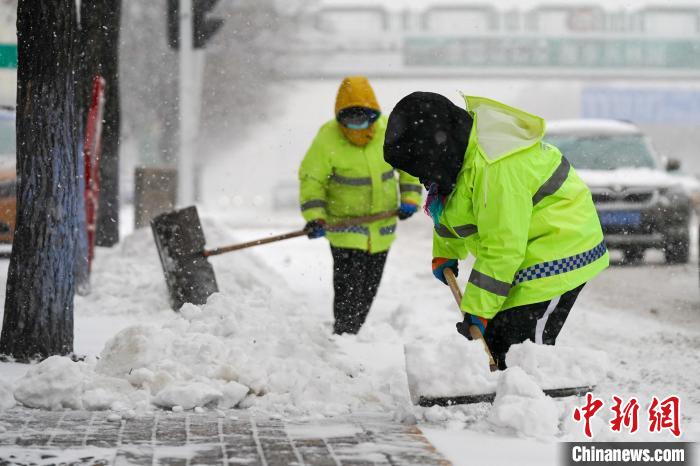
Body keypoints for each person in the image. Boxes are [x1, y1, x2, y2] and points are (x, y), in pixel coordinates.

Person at [383, 92, 609, 369]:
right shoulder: (458, 160)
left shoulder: (496, 168)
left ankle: (536, 387)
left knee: (521, 343)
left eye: (423, 167)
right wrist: (446, 252)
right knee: (496, 338)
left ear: (437, 150)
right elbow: (453, 210)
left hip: (560, 246)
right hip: (525, 246)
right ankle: (508, 387)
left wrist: (477, 310)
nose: (422, 177)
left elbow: (502, 247)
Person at [298, 77, 422, 335]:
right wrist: (316, 217)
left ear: (373, 114)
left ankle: (352, 333)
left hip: (381, 229)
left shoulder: (389, 131)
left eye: (362, 117)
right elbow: (312, 181)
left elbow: (409, 167)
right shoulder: (327, 139)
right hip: (345, 229)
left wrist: (410, 199)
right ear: (340, 118)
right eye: (350, 119)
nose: (357, 124)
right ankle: (345, 333)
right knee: (349, 289)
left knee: (367, 290)